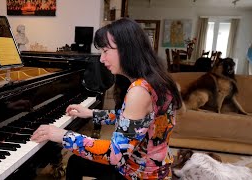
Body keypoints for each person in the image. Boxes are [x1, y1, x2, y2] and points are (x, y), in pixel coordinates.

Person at [31, 18, 182, 179]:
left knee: (77, 161)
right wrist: (92, 114)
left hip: (138, 174)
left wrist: (63, 135)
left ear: (126, 49)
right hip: (155, 169)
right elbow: (132, 122)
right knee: (76, 162)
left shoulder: (139, 91)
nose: (102, 59)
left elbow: (115, 155)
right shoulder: (156, 79)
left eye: (105, 51)